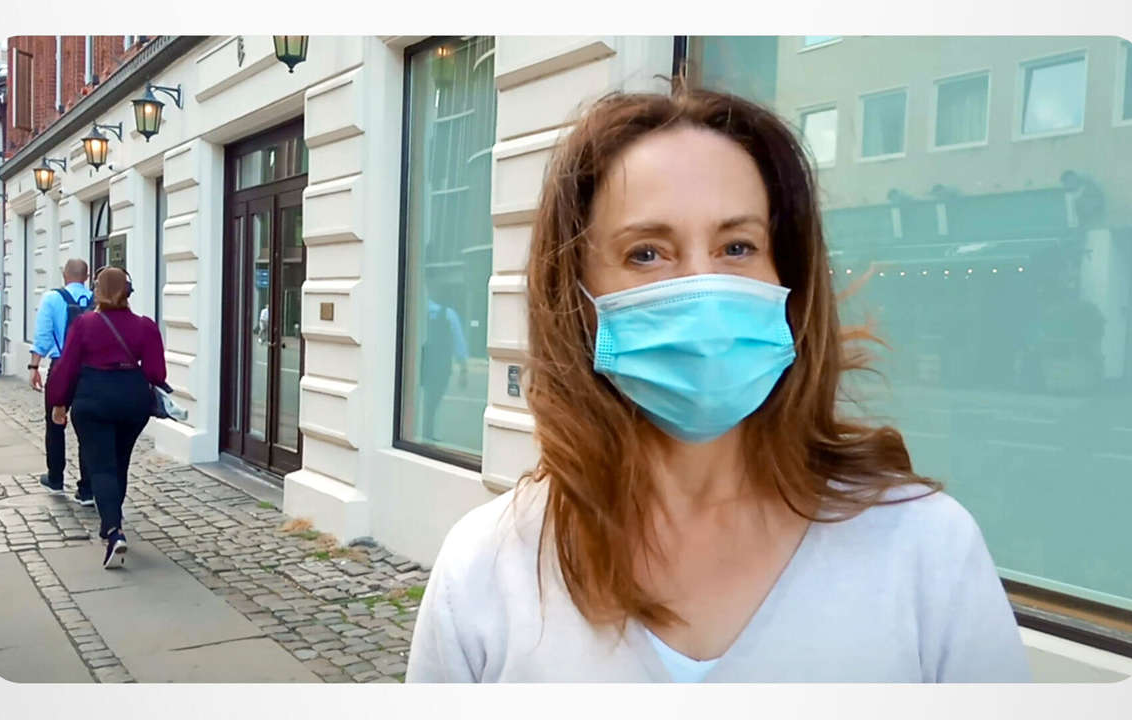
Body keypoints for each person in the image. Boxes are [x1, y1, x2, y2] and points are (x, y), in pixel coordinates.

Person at [406, 88, 1030, 682]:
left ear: (788, 277)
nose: (702, 287)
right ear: (577, 297)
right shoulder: (488, 571)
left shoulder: (926, 550)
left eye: (737, 246)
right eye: (646, 253)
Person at [46, 267, 166, 569]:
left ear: (98, 291)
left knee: (101, 467)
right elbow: (156, 373)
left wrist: (59, 402)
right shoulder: (145, 326)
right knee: (119, 463)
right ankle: (110, 523)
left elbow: (67, 366)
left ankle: (113, 531)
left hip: (93, 400)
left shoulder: (85, 324)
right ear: (128, 291)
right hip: (132, 402)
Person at [30, 258, 94, 505]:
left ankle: (55, 477)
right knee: (88, 428)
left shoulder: (52, 298)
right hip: (90, 371)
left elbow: (43, 336)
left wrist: (34, 367)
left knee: (55, 423)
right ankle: (87, 489)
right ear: (86, 277)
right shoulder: (96, 299)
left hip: (61, 367)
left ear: (64, 275)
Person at [419, 294, 469, 440]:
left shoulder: (416, 312)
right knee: (432, 402)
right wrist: (463, 369)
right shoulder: (448, 314)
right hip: (440, 366)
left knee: (421, 402)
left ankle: (424, 432)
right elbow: (459, 342)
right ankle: (426, 433)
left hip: (418, 364)